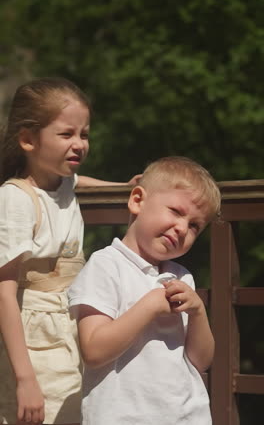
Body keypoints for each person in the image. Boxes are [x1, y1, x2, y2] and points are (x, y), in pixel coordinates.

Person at [0, 77, 140, 425]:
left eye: (84, 134)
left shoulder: (61, 182)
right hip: (35, 339)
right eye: (67, 134)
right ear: (28, 139)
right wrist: (25, 378)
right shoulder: (15, 199)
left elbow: (79, 182)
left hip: (69, 324)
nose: (79, 144)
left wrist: (125, 187)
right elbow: (3, 291)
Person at [68, 156, 221, 425]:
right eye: (175, 211)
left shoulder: (182, 276)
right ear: (137, 200)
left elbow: (201, 361)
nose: (183, 228)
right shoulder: (106, 265)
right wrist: (150, 306)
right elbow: (93, 350)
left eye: (195, 225)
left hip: (186, 415)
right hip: (122, 416)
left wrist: (198, 313)